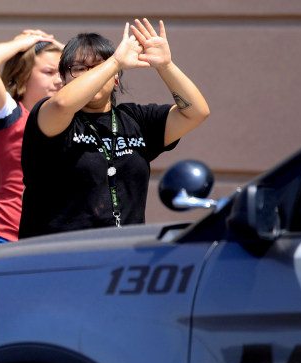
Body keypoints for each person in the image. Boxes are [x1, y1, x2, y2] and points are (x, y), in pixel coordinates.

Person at [18, 19, 209, 238]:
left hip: (120, 256)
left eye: (98, 66)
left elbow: (196, 112)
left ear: (116, 79)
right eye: (78, 69)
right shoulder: (49, 114)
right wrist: (115, 62)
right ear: (63, 79)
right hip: (57, 257)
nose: (90, 74)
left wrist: (166, 66)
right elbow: (62, 104)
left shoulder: (136, 119)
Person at [0, 30, 63, 247]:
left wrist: (59, 46)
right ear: (23, 76)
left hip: (52, 241)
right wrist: (22, 43)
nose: (59, 80)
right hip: (7, 238)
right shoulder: (9, 113)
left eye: (61, 72)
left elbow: (97, 71)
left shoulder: (68, 120)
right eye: (49, 72)